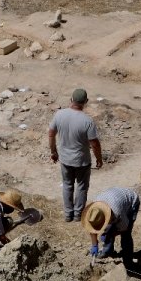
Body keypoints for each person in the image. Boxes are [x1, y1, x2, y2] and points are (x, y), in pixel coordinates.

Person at [48, 88, 103, 222]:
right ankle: (78, 215)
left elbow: (51, 134)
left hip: (65, 159)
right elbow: (94, 144)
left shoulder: (59, 115)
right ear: (86, 101)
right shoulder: (87, 121)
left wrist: (53, 152)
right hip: (82, 161)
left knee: (67, 185)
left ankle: (68, 214)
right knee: (82, 187)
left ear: (71, 99)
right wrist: (99, 159)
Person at [83, 186, 140, 263]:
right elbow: (92, 228)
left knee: (126, 234)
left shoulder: (117, 212)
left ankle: (128, 258)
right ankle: (108, 251)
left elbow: (124, 228)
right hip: (114, 198)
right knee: (108, 229)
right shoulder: (94, 211)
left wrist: (109, 234)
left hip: (131, 202)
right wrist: (94, 245)